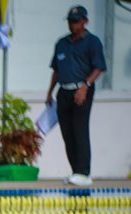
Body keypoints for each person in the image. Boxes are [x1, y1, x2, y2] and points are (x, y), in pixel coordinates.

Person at [46, 5, 106, 187]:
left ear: (85, 22)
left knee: (80, 130)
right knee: (68, 133)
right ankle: (76, 172)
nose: (73, 25)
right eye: (70, 22)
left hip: (82, 90)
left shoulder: (92, 42)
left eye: (76, 22)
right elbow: (56, 70)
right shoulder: (61, 43)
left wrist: (85, 86)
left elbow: (99, 68)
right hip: (64, 91)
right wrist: (49, 92)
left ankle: (84, 172)